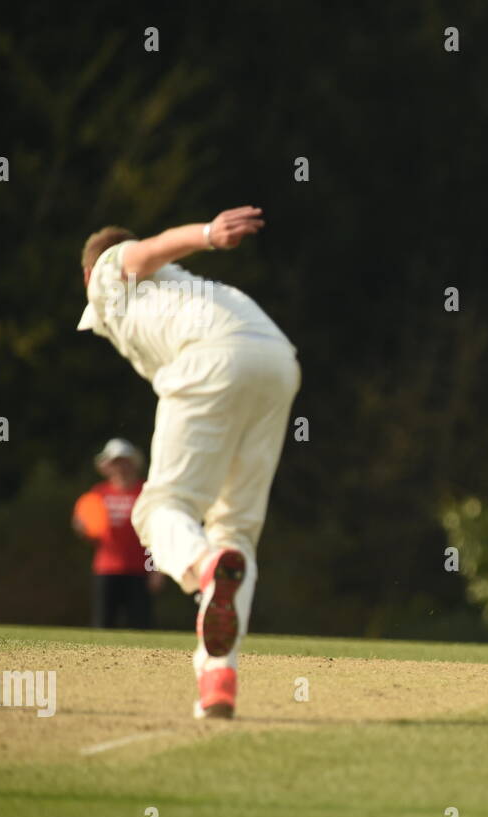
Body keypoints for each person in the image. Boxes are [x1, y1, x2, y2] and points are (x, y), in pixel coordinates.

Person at [77, 207, 300, 718]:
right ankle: (217, 680)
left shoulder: (108, 273)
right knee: (236, 532)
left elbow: (142, 250)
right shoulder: (182, 290)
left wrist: (206, 234)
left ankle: (202, 567)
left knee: (158, 510)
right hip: (276, 360)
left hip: (213, 355)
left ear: (88, 274)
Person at [72, 438, 163, 629]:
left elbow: (157, 534)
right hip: (106, 570)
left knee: (141, 627)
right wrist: (82, 529)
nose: (121, 467)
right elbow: (92, 530)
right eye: (115, 462)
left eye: (125, 461)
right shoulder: (98, 494)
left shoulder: (145, 493)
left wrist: (156, 570)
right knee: (103, 625)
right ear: (107, 466)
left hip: (139, 570)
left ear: (134, 463)